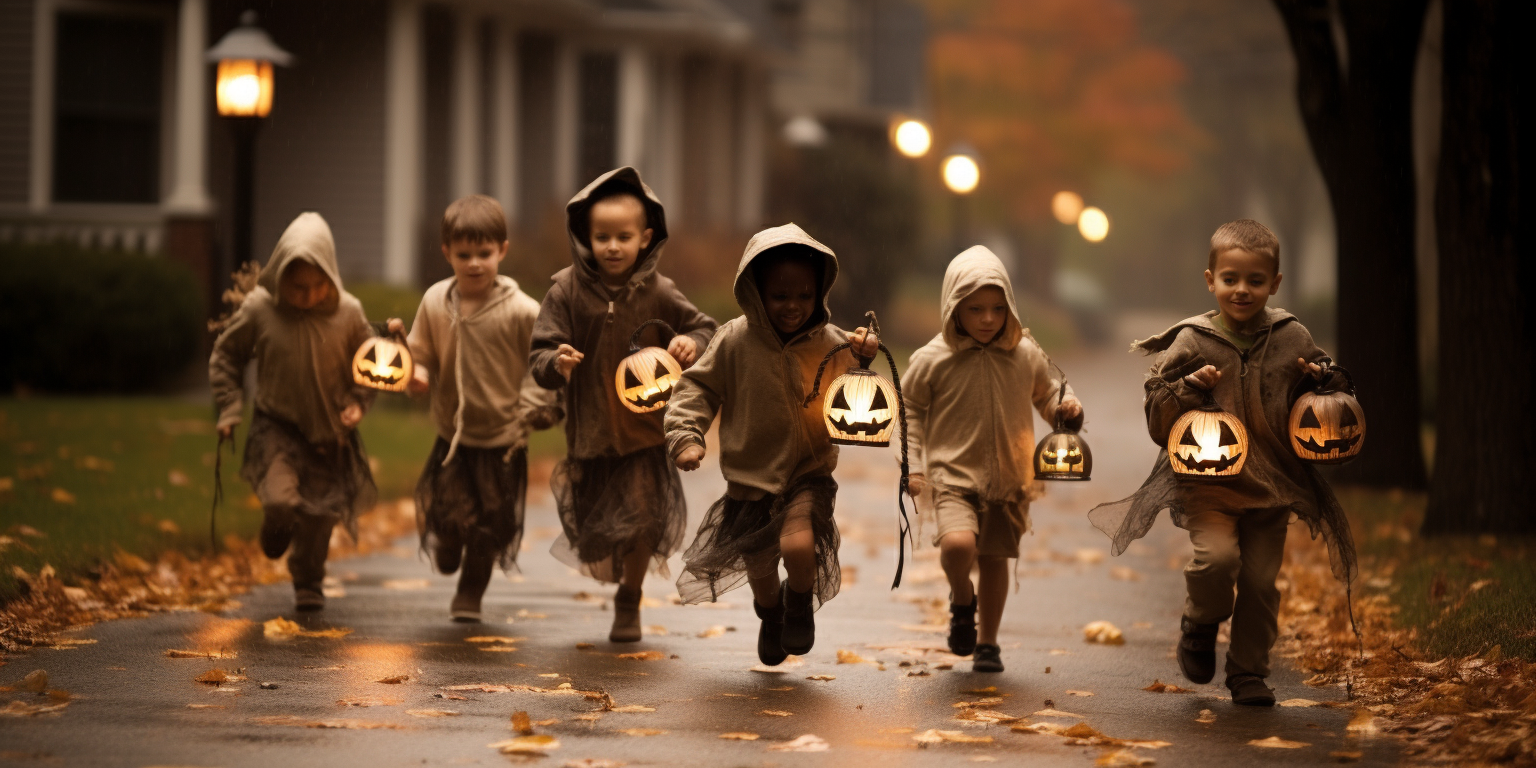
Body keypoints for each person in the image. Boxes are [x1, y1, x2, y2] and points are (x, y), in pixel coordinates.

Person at [1089, 219, 1357, 706]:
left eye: (1256, 280)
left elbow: (1320, 393)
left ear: (1274, 283)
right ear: (1210, 280)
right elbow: (1157, 420)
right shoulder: (1191, 342)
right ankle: (1200, 618)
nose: (1242, 290)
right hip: (1209, 482)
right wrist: (1187, 389)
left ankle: (1248, 673)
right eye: (1230, 278)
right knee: (1218, 560)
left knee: (1259, 582)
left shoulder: (1291, 336)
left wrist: (1323, 379)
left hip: (1272, 484)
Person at [665, 223, 878, 666]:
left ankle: (799, 604)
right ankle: (771, 611)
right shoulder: (734, 341)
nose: (792, 306)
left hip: (807, 473)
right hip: (749, 479)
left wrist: (865, 353)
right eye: (780, 296)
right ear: (756, 292)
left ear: (818, 293)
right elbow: (696, 390)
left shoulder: (830, 343)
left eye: (803, 296)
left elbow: (858, 380)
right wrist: (686, 435)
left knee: (798, 547)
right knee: (759, 567)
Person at [529, 168, 717, 642]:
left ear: (645, 238)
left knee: (643, 519)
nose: (612, 247)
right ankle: (620, 579)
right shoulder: (565, 291)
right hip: (591, 435)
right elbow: (538, 354)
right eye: (601, 237)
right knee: (599, 533)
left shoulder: (659, 292)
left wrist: (689, 343)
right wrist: (557, 360)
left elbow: (705, 328)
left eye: (624, 237)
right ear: (584, 238)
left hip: (645, 434)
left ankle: (630, 598)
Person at [903, 246, 1082, 673]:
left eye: (998, 309)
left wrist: (1066, 407)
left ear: (1010, 308)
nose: (987, 318)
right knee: (958, 546)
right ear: (954, 308)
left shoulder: (1024, 354)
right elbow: (909, 409)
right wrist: (913, 465)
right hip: (951, 477)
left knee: (996, 559)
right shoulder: (932, 360)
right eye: (975, 309)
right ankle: (963, 599)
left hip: (1009, 479)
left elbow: (1048, 393)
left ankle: (988, 642)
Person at [387, 194, 561, 622]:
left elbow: (539, 364)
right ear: (447, 253)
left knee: (492, 524)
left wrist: (532, 406)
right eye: (464, 254)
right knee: (448, 510)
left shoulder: (522, 311)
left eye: (484, 253)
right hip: (454, 436)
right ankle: (447, 543)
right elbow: (420, 351)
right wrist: (418, 374)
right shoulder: (434, 302)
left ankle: (470, 593)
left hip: (503, 436)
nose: (475, 264)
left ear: (502, 250)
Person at [210, 212, 377, 612]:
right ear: (279, 274)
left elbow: (373, 363)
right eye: (298, 286)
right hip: (276, 428)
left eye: (319, 285)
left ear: (331, 277)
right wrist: (230, 406)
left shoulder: (349, 314)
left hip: (329, 433)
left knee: (320, 517)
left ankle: (308, 578)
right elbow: (226, 356)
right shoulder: (259, 310)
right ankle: (276, 525)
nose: (308, 294)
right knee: (282, 500)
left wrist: (357, 400)